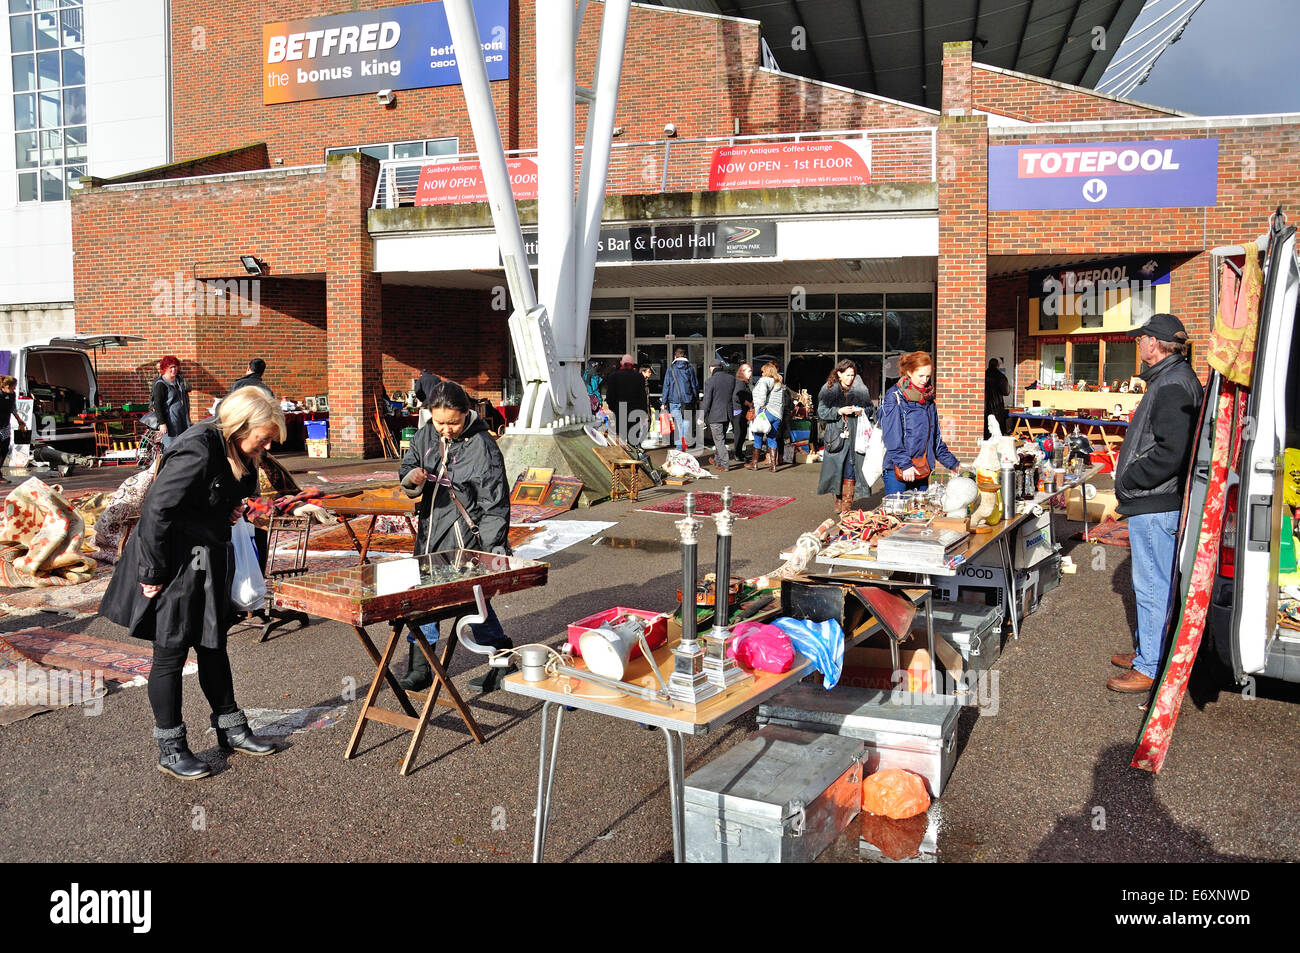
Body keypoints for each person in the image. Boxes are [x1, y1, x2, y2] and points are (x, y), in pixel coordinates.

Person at [100, 387, 286, 780]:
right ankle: (171, 748)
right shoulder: (199, 446)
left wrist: (231, 506)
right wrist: (151, 573)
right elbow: (156, 508)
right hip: (173, 561)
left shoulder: (241, 450)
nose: (268, 445)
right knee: (169, 654)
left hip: (207, 556)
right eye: (264, 436)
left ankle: (231, 727)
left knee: (213, 644)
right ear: (240, 425)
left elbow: (216, 495)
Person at [398, 379, 514, 694]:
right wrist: (411, 477)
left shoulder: (483, 446)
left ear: (467, 414)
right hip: (430, 535)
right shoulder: (425, 436)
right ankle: (420, 668)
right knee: (425, 599)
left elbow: (494, 504)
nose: (446, 429)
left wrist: (493, 549)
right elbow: (407, 466)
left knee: (472, 604)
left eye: (453, 422)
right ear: (429, 416)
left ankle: (502, 660)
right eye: (440, 422)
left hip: (466, 539)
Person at [1107, 314, 1203, 693]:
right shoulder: (1171, 378)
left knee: (1151, 586)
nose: (1137, 344)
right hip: (1155, 502)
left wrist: (1131, 479)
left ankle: (1149, 666)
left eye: (1141, 338)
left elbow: (1170, 452)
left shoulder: (1173, 384)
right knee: (1154, 583)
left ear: (1155, 343)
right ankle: (1150, 650)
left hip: (1154, 504)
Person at [879, 350, 961, 497]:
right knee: (895, 516)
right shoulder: (894, 397)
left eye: (928, 376)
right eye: (921, 375)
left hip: (921, 468)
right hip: (898, 469)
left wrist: (953, 464)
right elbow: (892, 437)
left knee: (920, 516)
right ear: (909, 372)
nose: (925, 380)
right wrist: (905, 465)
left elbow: (935, 440)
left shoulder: (929, 402)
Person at [817, 359, 875, 511]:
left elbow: (871, 409)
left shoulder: (860, 389)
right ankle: (838, 498)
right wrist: (839, 411)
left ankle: (847, 504)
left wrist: (862, 410)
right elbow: (821, 412)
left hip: (856, 436)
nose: (851, 378)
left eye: (853, 375)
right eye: (848, 375)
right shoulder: (829, 389)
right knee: (837, 469)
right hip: (836, 435)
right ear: (839, 374)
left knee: (852, 468)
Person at [749, 362, 787, 472]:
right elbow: (782, 402)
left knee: (758, 436)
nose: (761, 373)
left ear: (767, 372)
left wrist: (757, 412)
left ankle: (754, 463)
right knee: (772, 438)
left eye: (763, 371)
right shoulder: (779, 384)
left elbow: (760, 398)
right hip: (777, 414)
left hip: (765, 412)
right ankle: (773, 466)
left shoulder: (763, 381)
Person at [700, 359, 737, 471]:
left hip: (715, 415)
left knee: (719, 441)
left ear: (712, 368)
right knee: (721, 439)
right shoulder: (731, 379)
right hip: (728, 414)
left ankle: (725, 464)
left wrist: (701, 416)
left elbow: (707, 400)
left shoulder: (710, 381)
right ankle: (717, 460)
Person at [604, 353, 649, 444]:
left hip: (620, 409)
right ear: (632, 364)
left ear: (621, 363)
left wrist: (613, 407)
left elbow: (610, 396)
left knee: (621, 438)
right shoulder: (639, 377)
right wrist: (644, 412)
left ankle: (623, 456)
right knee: (634, 438)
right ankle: (634, 456)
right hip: (635, 410)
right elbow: (642, 396)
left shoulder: (613, 376)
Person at [661, 347, 700, 448]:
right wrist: (696, 398)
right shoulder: (690, 368)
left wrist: (663, 402)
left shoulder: (671, 369)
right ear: (685, 356)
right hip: (687, 400)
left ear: (675, 356)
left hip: (674, 401)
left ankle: (680, 445)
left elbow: (666, 385)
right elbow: (694, 385)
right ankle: (683, 443)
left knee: (679, 424)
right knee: (685, 422)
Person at [150, 356, 191, 450]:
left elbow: (188, 389)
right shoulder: (161, 384)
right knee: (171, 446)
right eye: (171, 367)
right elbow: (157, 405)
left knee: (183, 444)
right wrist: (162, 423)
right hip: (170, 420)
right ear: (165, 368)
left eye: (175, 366)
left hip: (183, 417)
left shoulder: (179, 380)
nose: (173, 369)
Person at [731, 362, 754, 464]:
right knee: (740, 433)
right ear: (742, 372)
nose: (751, 373)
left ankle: (739, 453)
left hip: (741, 411)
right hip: (738, 411)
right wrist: (748, 404)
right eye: (748, 371)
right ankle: (737, 454)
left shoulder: (744, 383)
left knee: (742, 433)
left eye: (751, 371)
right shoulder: (740, 383)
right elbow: (737, 396)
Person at [984, 357, 1010, 438]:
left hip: (985, 405)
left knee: (987, 427)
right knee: (997, 428)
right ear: (997, 366)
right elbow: (1006, 392)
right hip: (997, 405)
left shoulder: (984, 375)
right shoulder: (1001, 376)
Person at [0, 375, 14, 483]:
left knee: (5, 449)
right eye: (13, 387)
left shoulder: (12, 395)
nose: (14, 389)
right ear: (7, 386)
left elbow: (13, 408)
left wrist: (19, 420)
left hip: (5, 425)